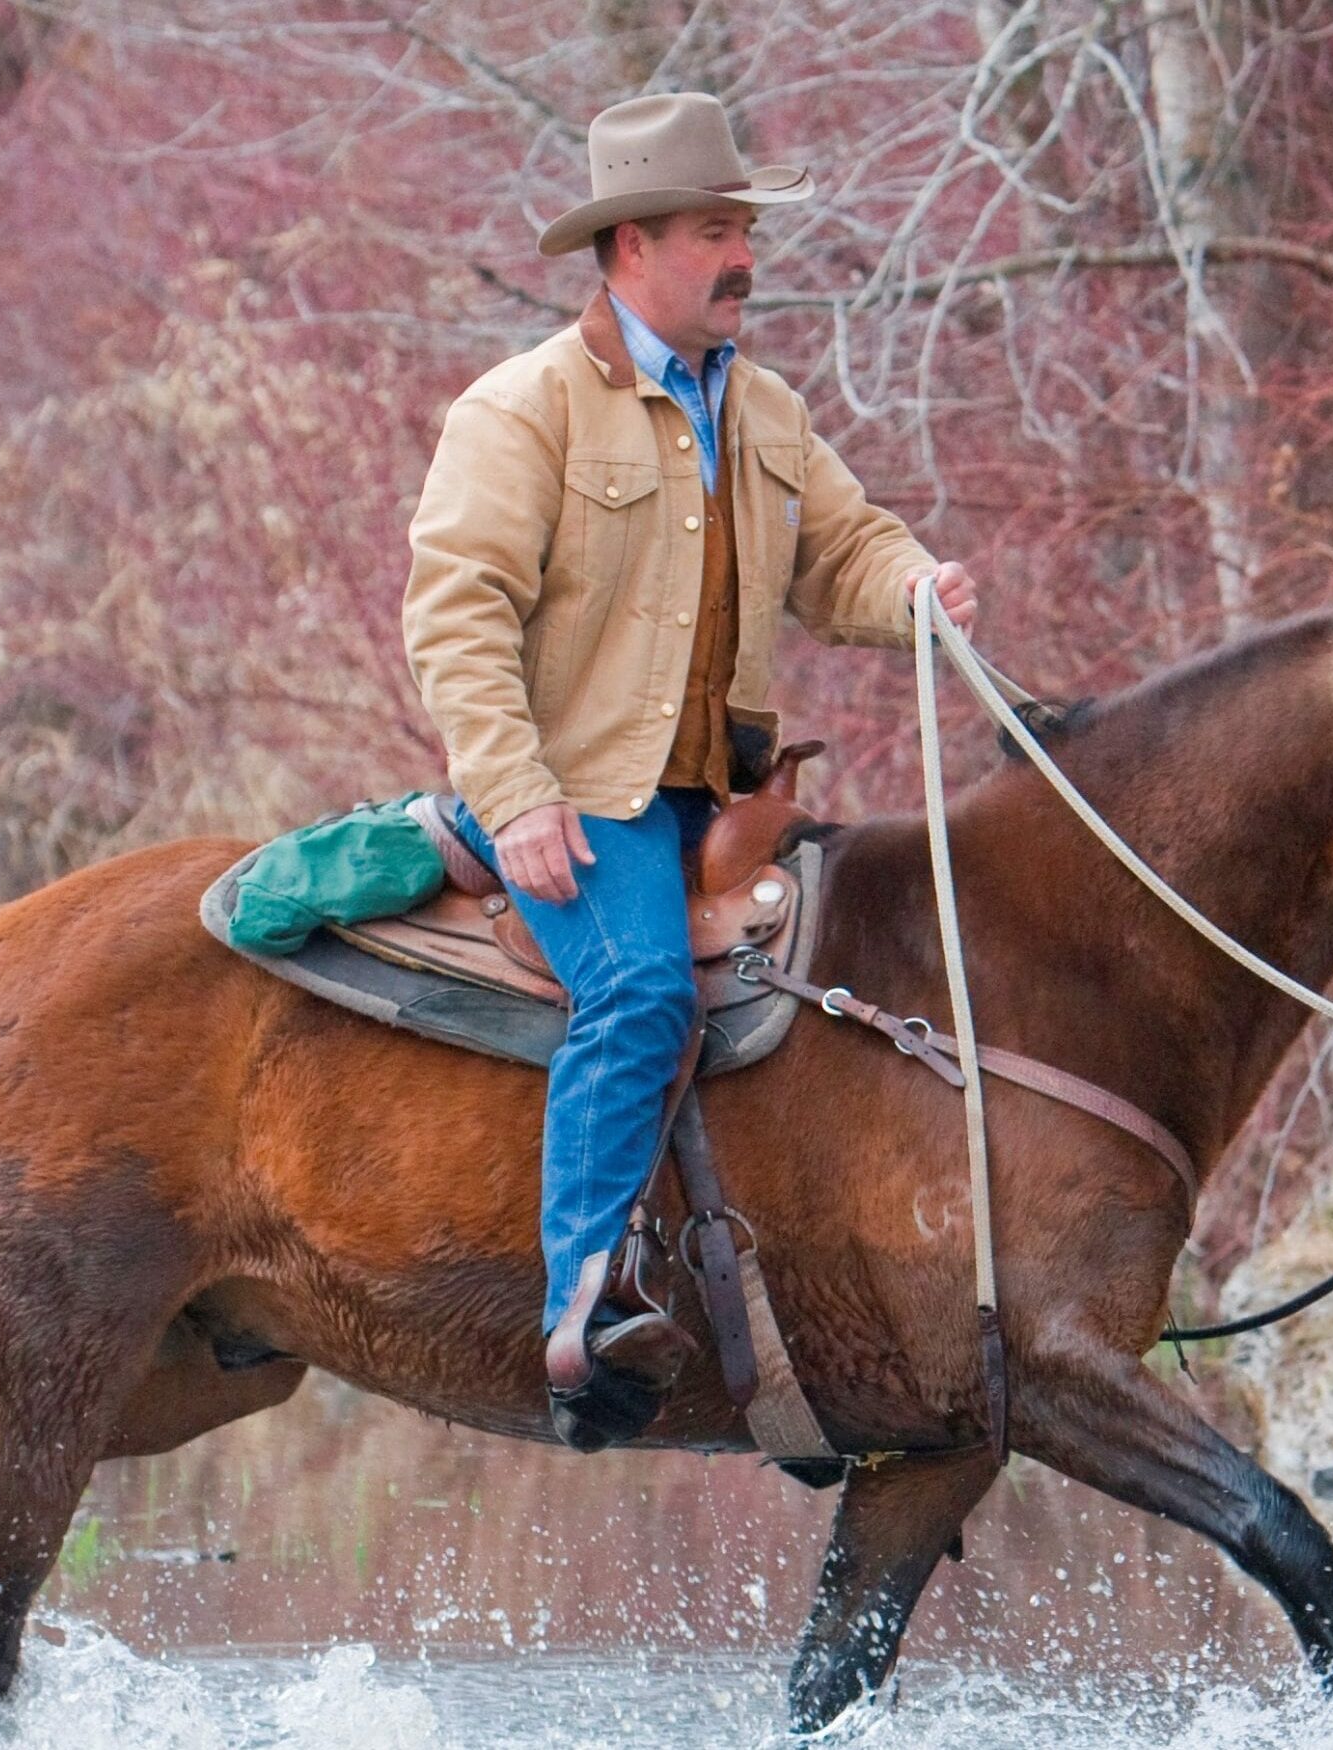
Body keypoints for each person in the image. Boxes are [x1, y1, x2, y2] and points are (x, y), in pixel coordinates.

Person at [401, 92, 980, 1450]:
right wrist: (520, 793)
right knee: (646, 989)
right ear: (630, 249)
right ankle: (584, 1310)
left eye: (744, 230)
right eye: (717, 231)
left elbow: (846, 549)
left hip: (715, 804)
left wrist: (919, 586)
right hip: (569, 799)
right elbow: (457, 612)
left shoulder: (762, 407)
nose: (743, 258)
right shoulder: (522, 409)